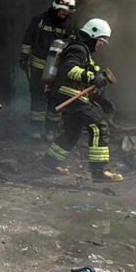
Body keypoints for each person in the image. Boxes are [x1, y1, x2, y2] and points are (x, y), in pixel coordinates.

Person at [42, 17, 124, 182]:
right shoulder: (79, 49)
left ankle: (48, 163)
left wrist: (102, 100)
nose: (101, 45)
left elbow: (86, 83)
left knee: (71, 133)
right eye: (101, 41)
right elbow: (69, 70)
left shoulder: (84, 52)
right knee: (99, 127)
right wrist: (93, 76)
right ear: (93, 35)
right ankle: (98, 172)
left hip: (68, 96)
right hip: (70, 97)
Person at [20, 0, 77, 137]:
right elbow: (28, 40)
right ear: (56, 7)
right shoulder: (39, 21)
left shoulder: (70, 25)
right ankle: (36, 130)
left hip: (58, 68)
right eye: (63, 11)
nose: (65, 14)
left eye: (68, 12)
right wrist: (24, 57)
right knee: (38, 96)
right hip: (38, 66)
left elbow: (72, 45)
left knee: (55, 97)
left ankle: (51, 130)